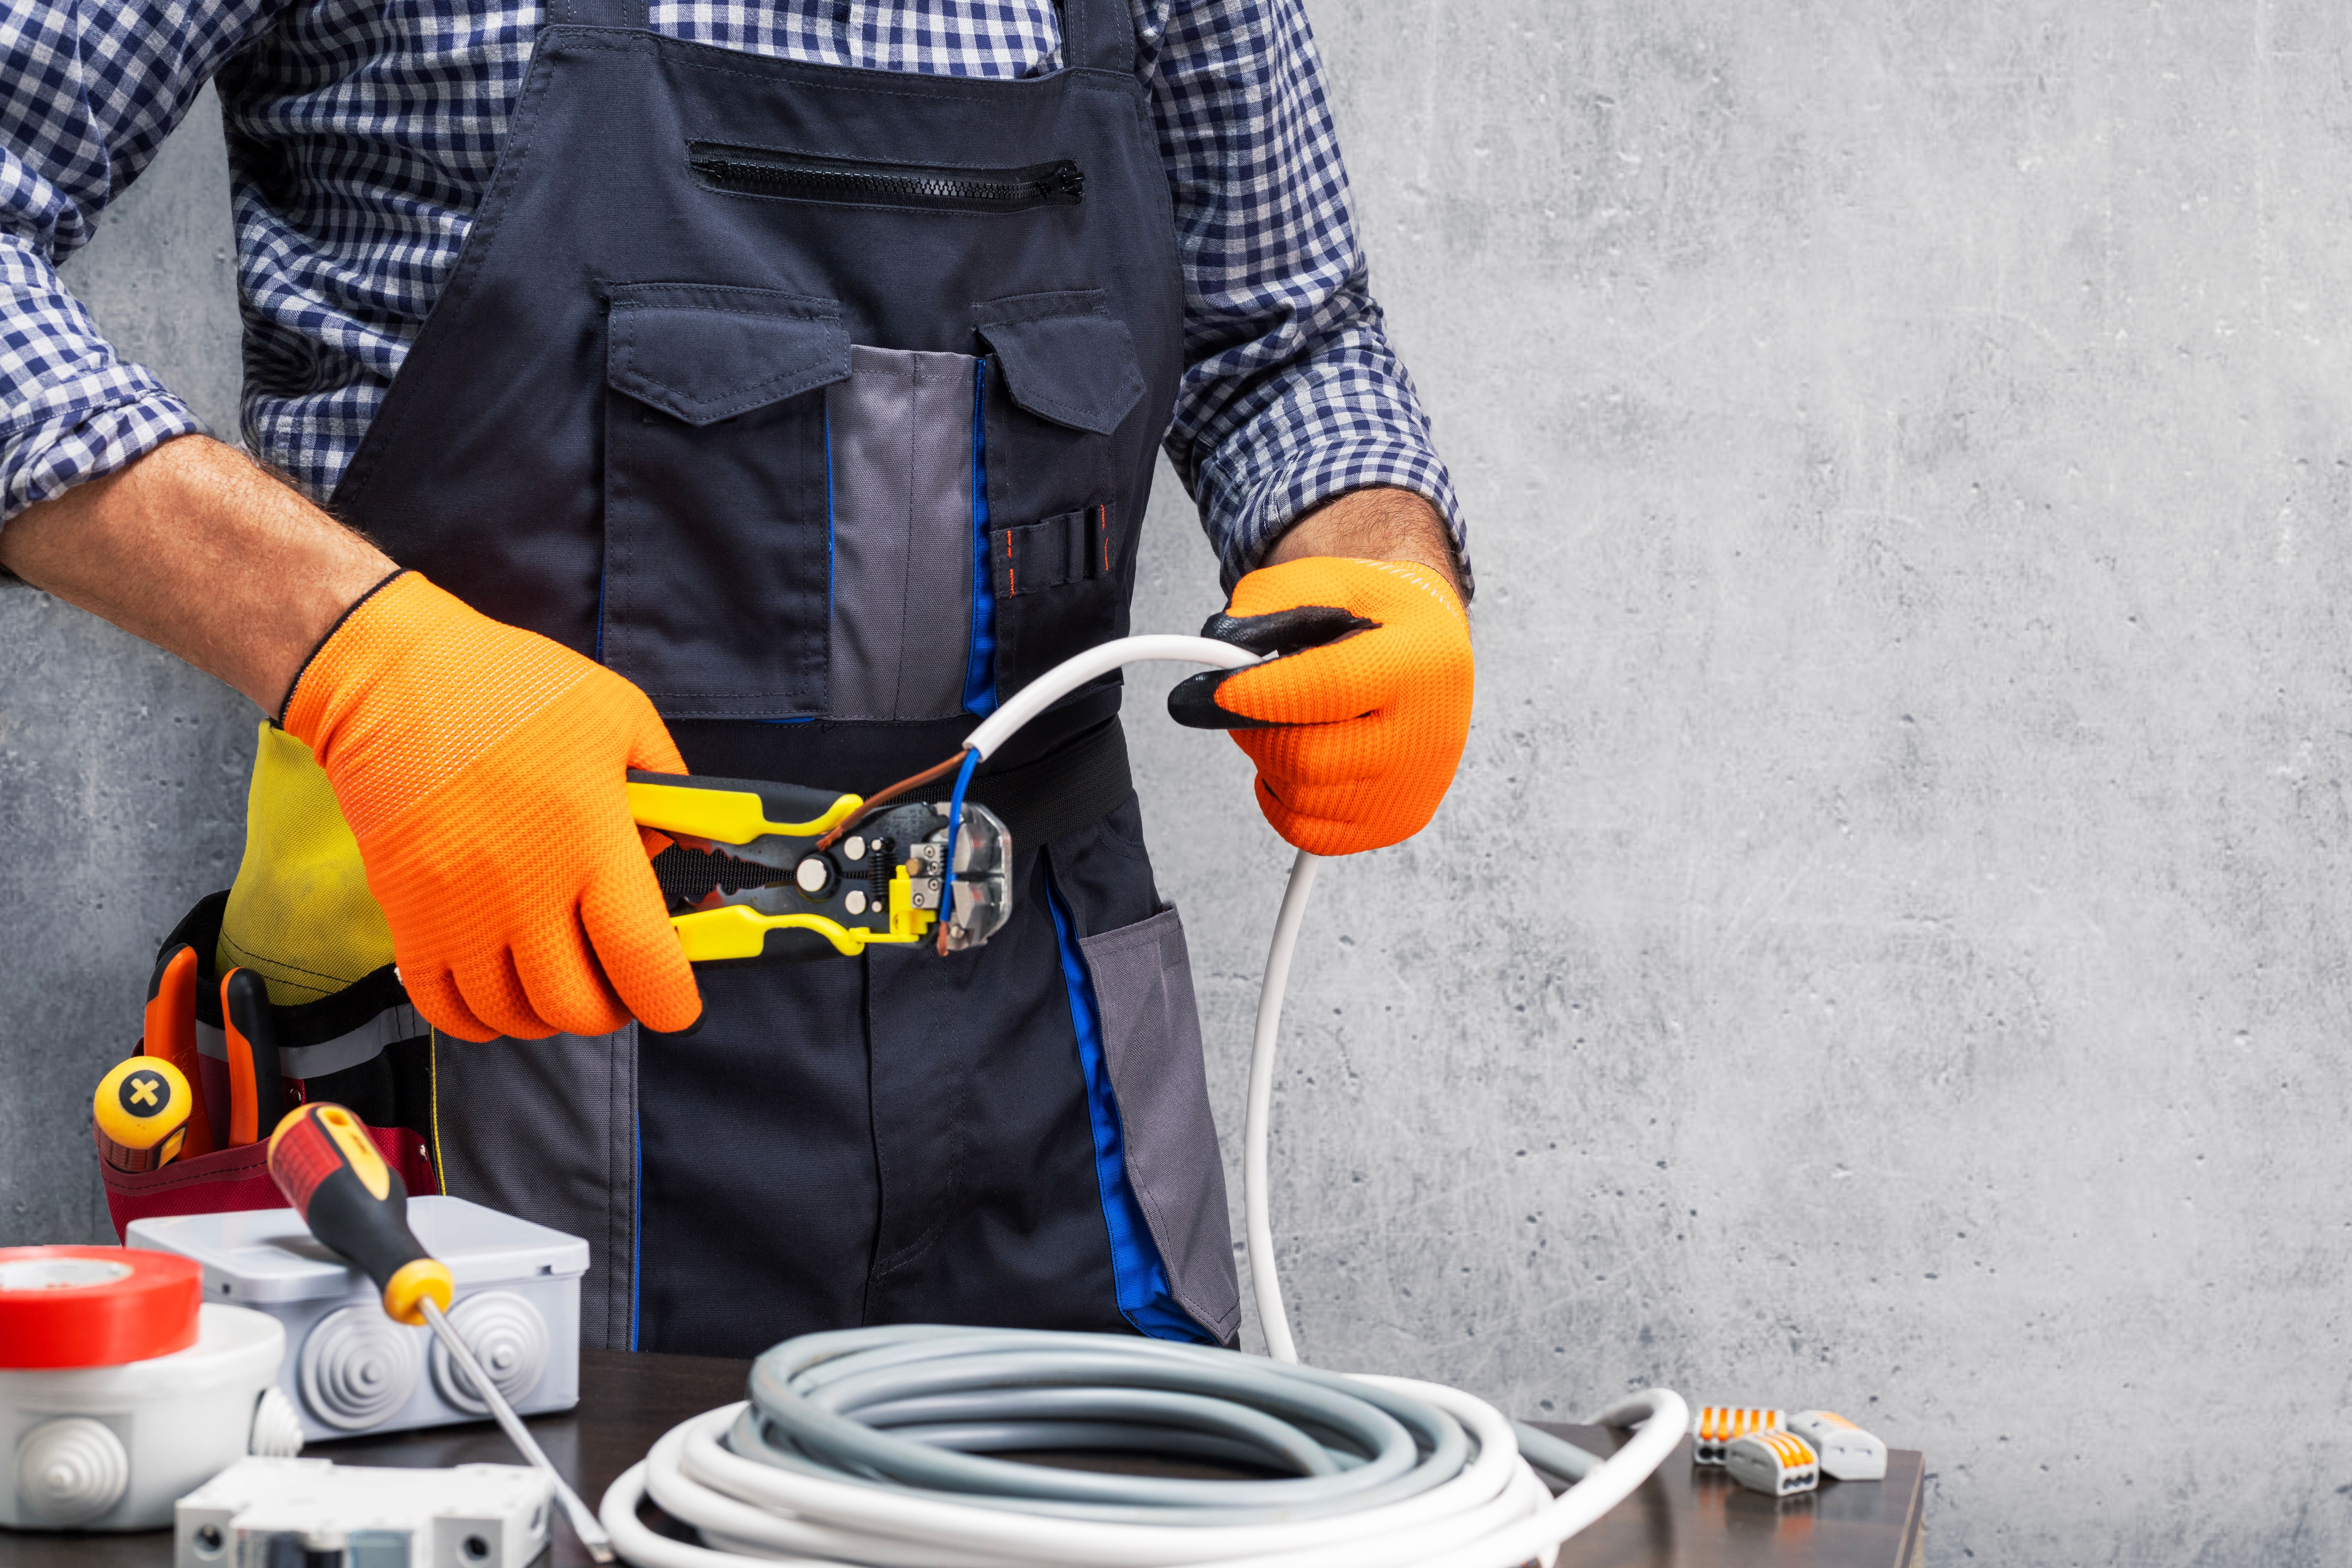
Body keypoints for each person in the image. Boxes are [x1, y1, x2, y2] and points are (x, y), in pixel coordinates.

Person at [0, 0, 1476, 1355]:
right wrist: (367, 661)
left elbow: (1284, 336)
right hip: (469, 1103)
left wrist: (1379, 554)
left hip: (1058, 1110)